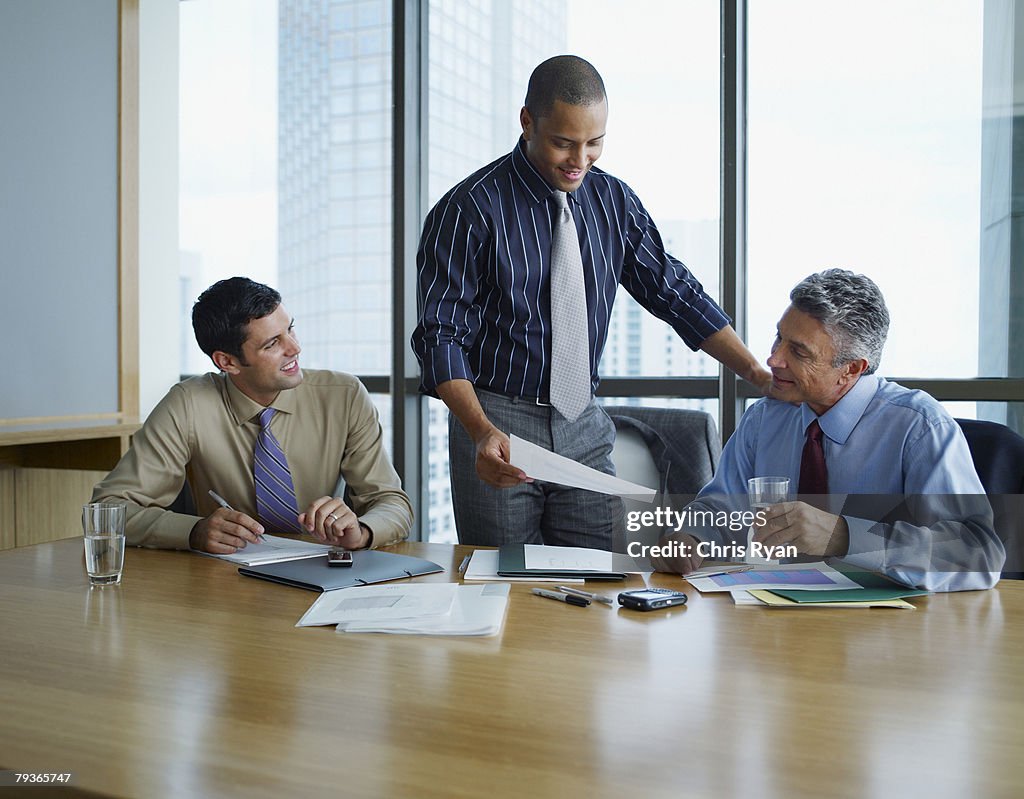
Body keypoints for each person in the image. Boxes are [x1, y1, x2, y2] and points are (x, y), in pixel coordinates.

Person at [412, 54, 770, 550]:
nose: (579, 160)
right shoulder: (468, 210)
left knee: (599, 579)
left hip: (583, 422)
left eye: (594, 143)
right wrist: (480, 430)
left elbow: (673, 291)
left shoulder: (614, 202)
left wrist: (754, 371)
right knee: (505, 586)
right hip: (499, 421)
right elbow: (440, 335)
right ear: (527, 122)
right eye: (563, 143)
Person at [649, 269, 1004, 592]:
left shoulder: (919, 427)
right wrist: (691, 537)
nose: (773, 359)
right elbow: (720, 507)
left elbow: (978, 554)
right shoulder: (764, 419)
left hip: (889, 638)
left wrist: (844, 536)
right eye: (779, 338)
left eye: (798, 352)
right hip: (772, 622)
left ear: (851, 369)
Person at [92, 277, 413, 554]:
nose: (295, 348)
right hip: (225, 581)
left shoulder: (343, 395)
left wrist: (362, 531)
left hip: (323, 568)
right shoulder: (189, 403)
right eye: (273, 343)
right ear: (227, 362)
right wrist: (194, 531)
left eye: (290, 330)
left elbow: (392, 503)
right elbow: (107, 511)